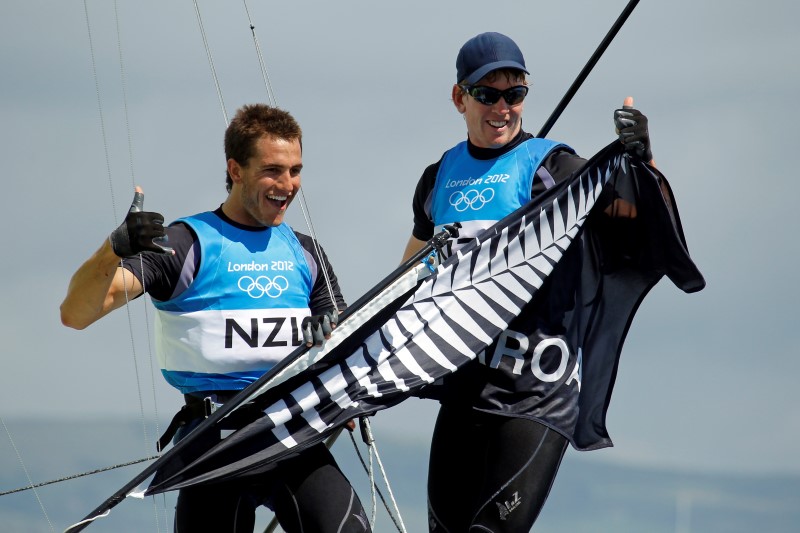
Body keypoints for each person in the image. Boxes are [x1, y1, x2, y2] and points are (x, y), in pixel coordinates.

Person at [61, 104, 371, 533]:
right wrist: (114, 248)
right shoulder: (184, 244)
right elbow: (75, 314)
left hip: (292, 430)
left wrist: (332, 342)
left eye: (295, 170)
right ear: (236, 169)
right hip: (213, 439)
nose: (288, 185)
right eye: (273, 171)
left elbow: (343, 338)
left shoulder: (305, 251)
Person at [400, 32, 655, 531]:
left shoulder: (551, 165)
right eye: (487, 94)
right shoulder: (438, 178)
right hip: (465, 389)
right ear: (459, 98)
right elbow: (409, 280)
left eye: (514, 94)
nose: (503, 107)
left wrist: (640, 158)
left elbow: (634, 210)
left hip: (535, 392)